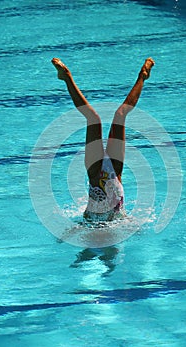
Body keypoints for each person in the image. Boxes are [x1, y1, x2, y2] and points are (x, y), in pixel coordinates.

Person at [52, 57, 155, 223]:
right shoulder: (107, 220)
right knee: (114, 116)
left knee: (99, 117)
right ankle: (142, 77)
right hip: (111, 173)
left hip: (100, 175)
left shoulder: (93, 220)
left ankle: (67, 78)